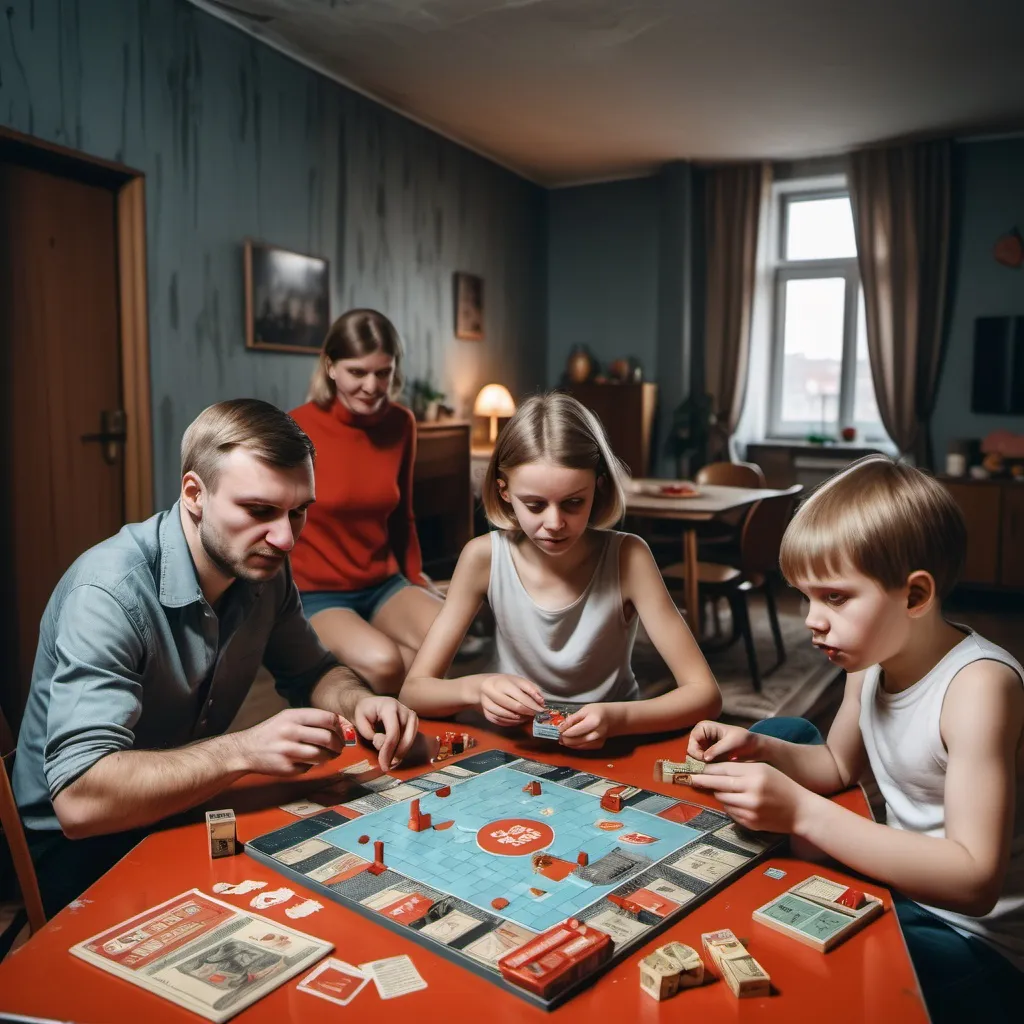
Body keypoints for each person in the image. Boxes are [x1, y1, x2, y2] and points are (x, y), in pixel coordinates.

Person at [13, 399, 419, 916]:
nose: (286, 538)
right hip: (79, 850)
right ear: (194, 494)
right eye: (260, 511)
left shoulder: (263, 566)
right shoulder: (108, 593)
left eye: (299, 511)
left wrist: (360, 701)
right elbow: (79, 800)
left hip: (183, 807)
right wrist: (242, 750)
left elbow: (313, 670)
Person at [684, 456, 1024, 1022]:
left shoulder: (980, 687)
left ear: (915, 596)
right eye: (806, 597)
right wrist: (759, 748)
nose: (813, 620)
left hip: (976, 941)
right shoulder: (869, 660)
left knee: (793, 968)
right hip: (906, 890)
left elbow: (973, 882)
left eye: (835, 598)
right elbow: (837, 765)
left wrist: (801, 814)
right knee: (776, 733)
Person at [400, 392, 722, 747]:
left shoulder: (629, 557)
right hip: (516, 744)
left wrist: (617, 718)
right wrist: (476, 688)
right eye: (535, 505)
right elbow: (414, 692)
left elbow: (705, 694)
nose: (554, 523)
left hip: (614, 744)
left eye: (573, 502)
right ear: (503, 491)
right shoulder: (483, 557)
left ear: (598, 488)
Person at [289, 309, 443, 695]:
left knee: (445, 633)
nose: (372, 386)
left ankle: (425, 741)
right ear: (331, 367)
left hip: (382, 583)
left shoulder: (402, 423)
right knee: (389, 663)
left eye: (383, 372)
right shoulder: (294, 427)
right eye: (357, 372)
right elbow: (278, 520)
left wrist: (417, 580)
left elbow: (403, 516)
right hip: (315, 593)